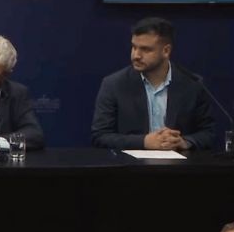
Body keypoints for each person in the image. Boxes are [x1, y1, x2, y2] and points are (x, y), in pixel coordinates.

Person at [91, 17, 215, 150]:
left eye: (145, 49)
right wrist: (144, 142)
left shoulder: (193, 85)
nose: (136, 55)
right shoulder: (114, 85)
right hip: (131, 163)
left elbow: (208, 133)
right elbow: (100, 136)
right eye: (134, 47)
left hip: (178, 162)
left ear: (166, 51)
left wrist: (184, 142)